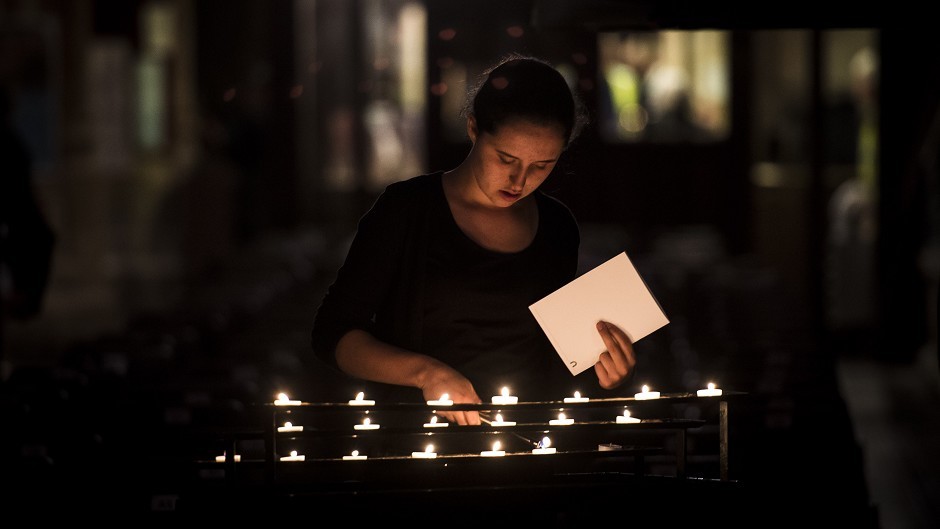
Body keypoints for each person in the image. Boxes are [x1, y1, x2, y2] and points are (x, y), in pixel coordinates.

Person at [310, 54, 637, 425]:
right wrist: (425, 374)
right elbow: (332, 334)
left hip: (524, 445)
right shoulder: (407, 210)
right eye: (505, 158)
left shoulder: (557, 226)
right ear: (473, 128)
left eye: (542, 166)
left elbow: (552, 357)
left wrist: (604, 368)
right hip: (417, 445)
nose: (519, 180)